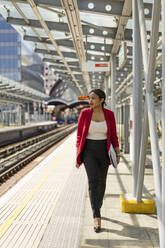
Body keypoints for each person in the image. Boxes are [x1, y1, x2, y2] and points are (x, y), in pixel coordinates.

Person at [76, 89, 120, 233]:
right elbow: (79, 136)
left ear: (101, 100)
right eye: (89, 98)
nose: (90, 101)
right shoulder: (85, 113)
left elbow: (113, 135)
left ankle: (97, 204)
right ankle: (96, 216)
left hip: (104, 151)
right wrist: (77, 153)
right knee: (93, 181)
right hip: (89, 151)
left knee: (102, 181)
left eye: (93, 98)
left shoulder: (109, 115)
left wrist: (118, 152)